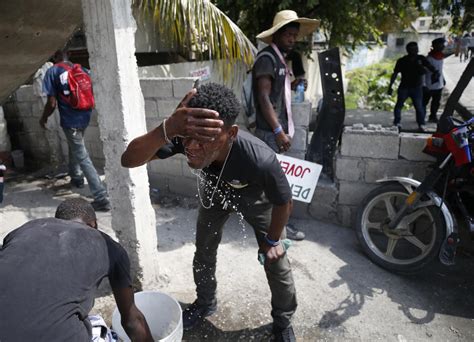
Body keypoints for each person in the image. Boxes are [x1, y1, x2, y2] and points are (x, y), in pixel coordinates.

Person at [121, 83, 298, 342]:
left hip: (255, 202)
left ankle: (283, 321)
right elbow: (129, 160)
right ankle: (205, 301)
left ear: (232, 133)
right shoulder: (188, 137)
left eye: (205, 141)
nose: (191, 147)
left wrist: (272, 241)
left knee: (276, 261)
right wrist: (168, 129)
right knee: (203, 249)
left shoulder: (259, 159)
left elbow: (284, 202)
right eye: (188, 137)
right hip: (215, 194)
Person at [0, 198, 153, 341]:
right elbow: (132, 321)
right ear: (93, 224)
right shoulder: (109, 246)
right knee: (99, 328)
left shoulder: (23, 231)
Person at [252, 10, 319, 241]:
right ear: (276, 36)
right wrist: (278, 131)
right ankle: (278, 228)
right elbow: (263, 98)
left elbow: (277, 95)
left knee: (270, 183)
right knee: (276, 184)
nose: (292, 39)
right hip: (269, 132)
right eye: (288, 34)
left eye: (294, 35)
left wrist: (292, 85)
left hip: (273, 131)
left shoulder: (280, 60)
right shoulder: (267, 59)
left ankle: (270, 222)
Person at [39, 50, 110, 211]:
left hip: (70, 121)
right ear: (68, 54)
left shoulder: (53, 71)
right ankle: (76, 178)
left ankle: (101, 197)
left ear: (54, 56)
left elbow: (51, 103)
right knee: (76, 149)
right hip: (84, 117)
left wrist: (43, 118)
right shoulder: (82, 69)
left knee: (82, 156)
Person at [387, 41, 438, 132]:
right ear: (408, 50)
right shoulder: (402, 61)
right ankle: (397, 122)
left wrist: (434, 72)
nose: (415, 50)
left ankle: (421, 124)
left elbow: (430, 67)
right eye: (413, 49)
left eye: (416, 48)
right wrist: (390, 86)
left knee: (419, 107)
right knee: (399, 105)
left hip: (417, 88)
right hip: (404, 87)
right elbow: (395, 73)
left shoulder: (421, 59)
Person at [423, 38, 448, 123]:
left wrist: (443, 79)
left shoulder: (440, 57)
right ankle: (421, 116)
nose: (443, 46)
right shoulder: (428, 58)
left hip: (439, 84)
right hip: (429, 84)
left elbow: (440, 70)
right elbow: (424, 72)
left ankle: (433, 116)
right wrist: (424, 84)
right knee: (425, 102)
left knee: (436, 102)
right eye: (441, 45)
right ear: (435, 46)